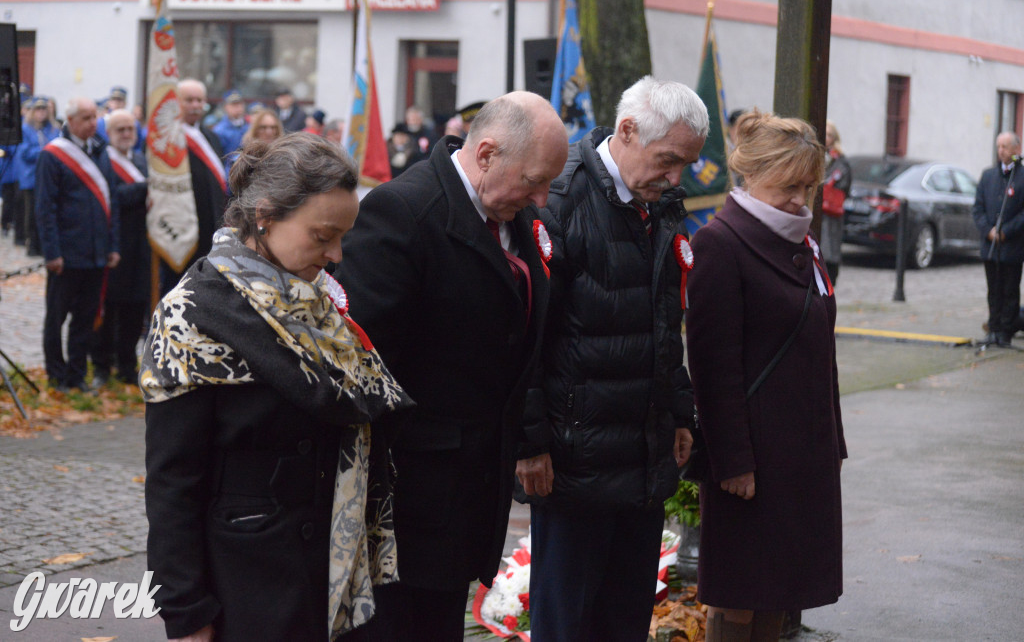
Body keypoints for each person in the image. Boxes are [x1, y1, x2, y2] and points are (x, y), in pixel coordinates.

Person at [141, 132, 413, 642]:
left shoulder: (314, 303)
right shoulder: (192, 315)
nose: (334, 255)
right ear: (264, 214)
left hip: (334, 572)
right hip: (248, 583)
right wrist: (186, 610)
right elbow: (172, 482)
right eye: (322, 235)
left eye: (342, 238)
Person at [335, 91, 568, 640]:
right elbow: (365, 364)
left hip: (469, 488)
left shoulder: (513, 213)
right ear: (486, 154)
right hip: (410, 495)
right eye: (535, 179)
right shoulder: (404, 210)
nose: (543, 196)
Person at [513, 77, 704, 641]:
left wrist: (679, 412)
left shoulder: (661, 202)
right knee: (568, 622)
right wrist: (530, 443)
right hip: (574, 459)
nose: (675, 178)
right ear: (626, 131)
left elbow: (665, 323)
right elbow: (527, 335)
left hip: (642, 452)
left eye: (684, 167)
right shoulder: (560, 198)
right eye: (668, 160)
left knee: (624, 619)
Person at [685, 110, 845, 641]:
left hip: (802, 455)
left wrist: (832, 443)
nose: (801, 199)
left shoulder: (800, 241)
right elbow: (712, 366)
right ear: (751, 176)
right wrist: (731, 461)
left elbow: (820, 350)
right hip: (751, 463)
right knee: (741, 597)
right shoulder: (720, 244)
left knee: (782, 589)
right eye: (789, 185)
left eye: (808, 186)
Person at [35, 97, 121, 392]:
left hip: (96, 253)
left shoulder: (100, 151)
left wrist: (113, 245)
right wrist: (52, 252)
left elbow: (112, 203)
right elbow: (45, 208)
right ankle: (56, 377)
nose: (92, 123)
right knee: (56, 319)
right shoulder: (53, 155)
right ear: (70, 121)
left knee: (85, 320)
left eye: (94, 117)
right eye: (85, 117)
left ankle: (76, 375)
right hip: (67, 254)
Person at [90, 109, 150, 387]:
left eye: (130, 129)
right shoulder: (103, 161)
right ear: (109, 133)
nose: (127, 134)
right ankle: (101, 365)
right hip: (115, 244)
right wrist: (145, 189)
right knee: (109, 306)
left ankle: (127, 365)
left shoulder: (141, 160)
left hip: (142, 246)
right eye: (120, 130)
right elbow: (113, 196)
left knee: (135, 309)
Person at [160, 78, 228, 293]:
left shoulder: (211, 137)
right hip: (180, 225)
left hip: (211, 225)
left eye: (199, 100)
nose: (196, 105)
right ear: (177, 103)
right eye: (189, 100)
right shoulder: (166, 138)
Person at [972, 131, 1024, 347]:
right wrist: (988, 231)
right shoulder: (988, 176)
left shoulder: (1021, 176)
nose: (1001, 151)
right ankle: (993, 329)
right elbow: (978, 209)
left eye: (1005, 147)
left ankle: (1006, 331)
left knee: (1009, 290)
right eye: (998, 146)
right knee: (993, 290)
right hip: (991, 245)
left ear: (1016, 150)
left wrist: (1006, 231)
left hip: (1012, 246)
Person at [15, 96, 59, 254]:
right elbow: (24, 152)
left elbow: (58, 148)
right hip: (31, 176)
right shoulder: (25, 129)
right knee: (31, 212)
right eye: (38, 109)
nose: (41, 113)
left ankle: (43, 243)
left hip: (48, 177)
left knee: (46, 211)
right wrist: (45, 151)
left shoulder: (53, 129)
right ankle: (31, 243)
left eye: (44, 109)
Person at [820, 120, 852, 284]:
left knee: (830, 250)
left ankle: (830, 279)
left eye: (829, 135)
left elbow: (845, 185)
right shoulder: (817, 154)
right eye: (823, 134)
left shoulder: (840, 160)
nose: (826, 138)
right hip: (817, 212)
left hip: (831, 212)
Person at [211, 89, 249, 165]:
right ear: (225, 107)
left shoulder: (249, 126)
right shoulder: (219, 130)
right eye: (233, 104)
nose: (237, 107)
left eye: (239, 104)